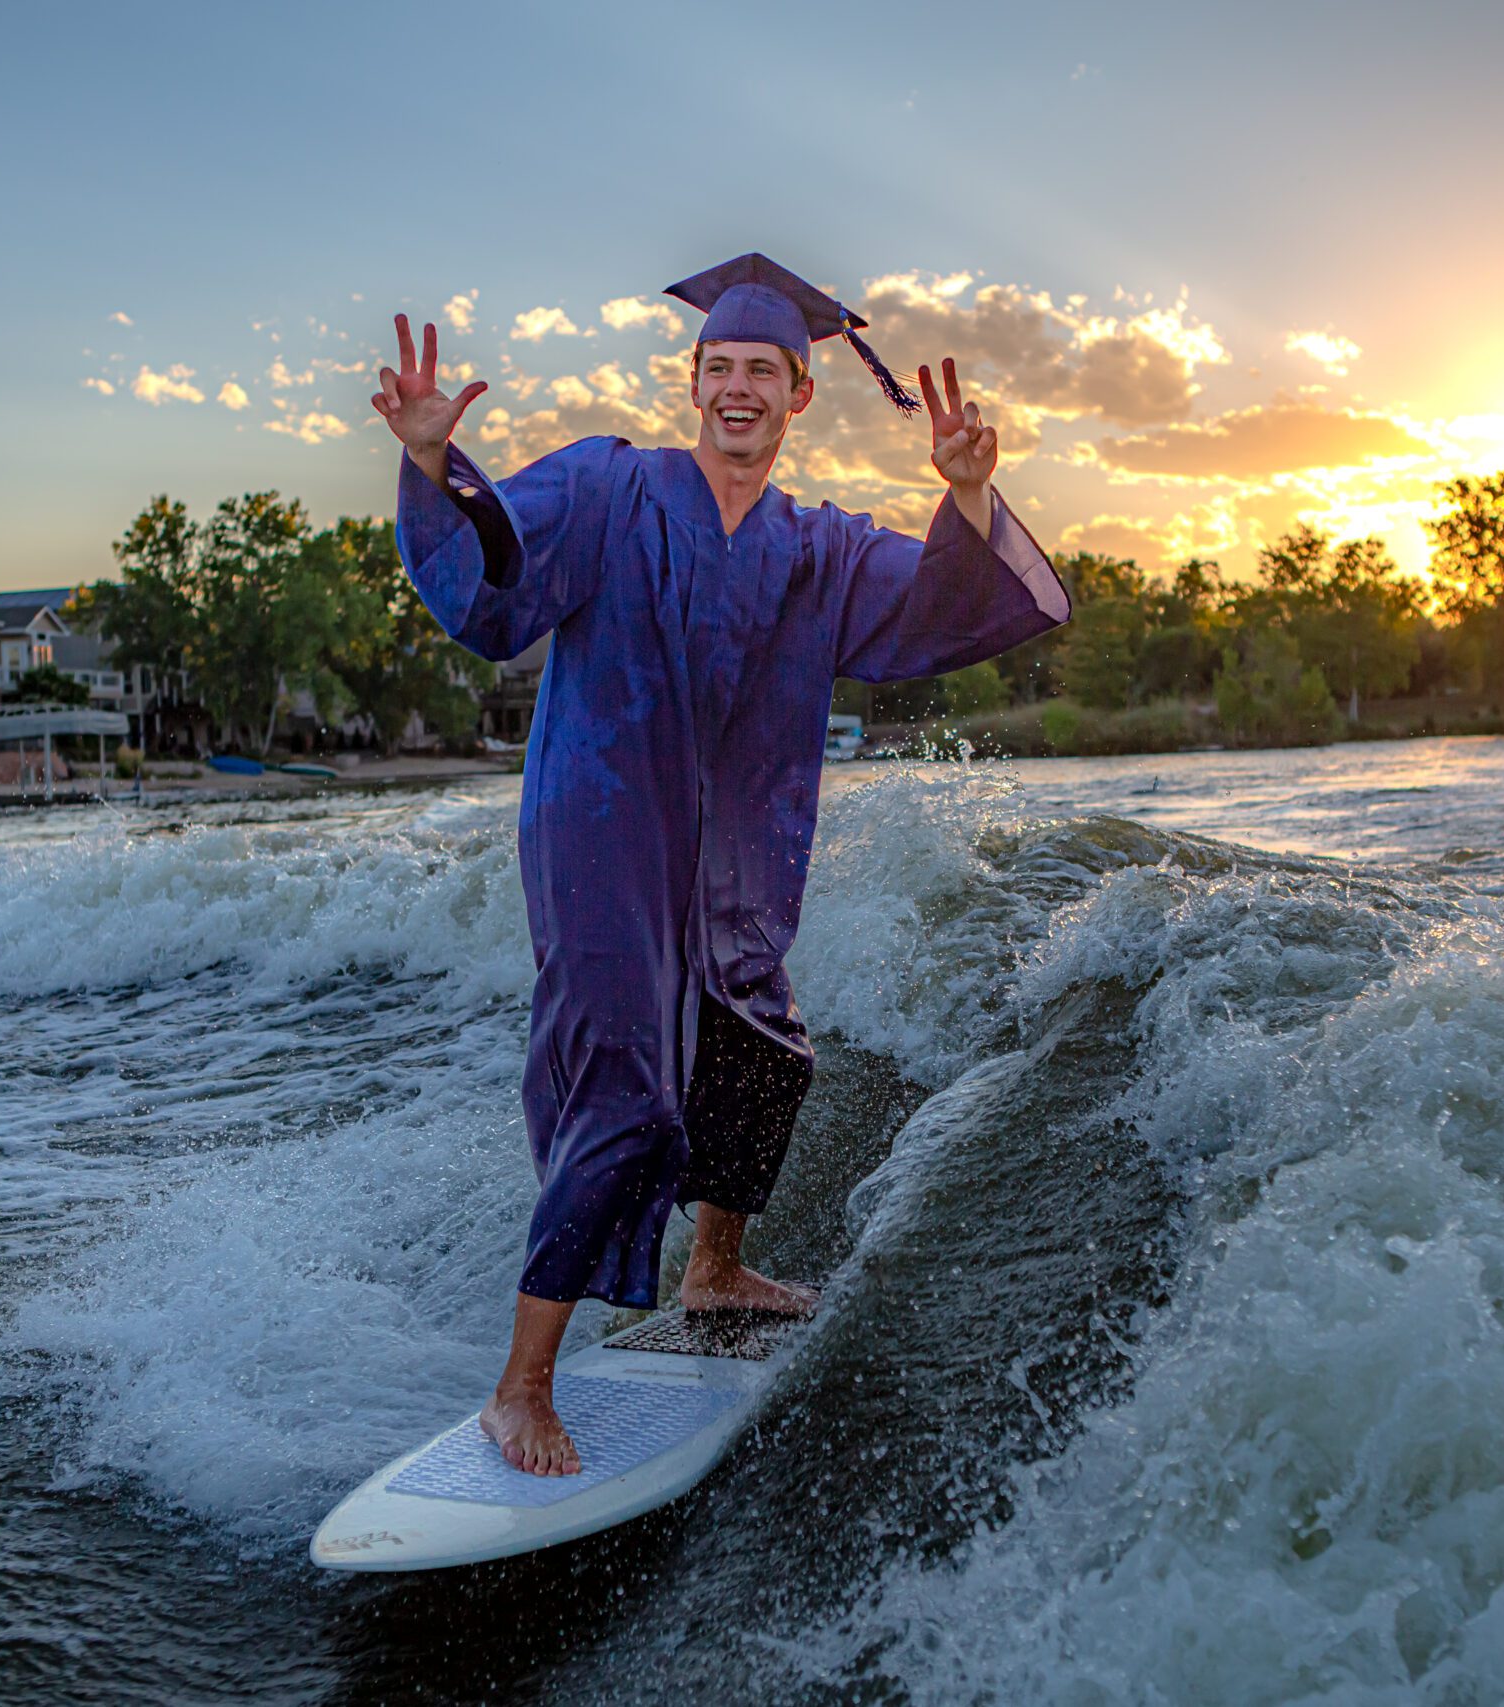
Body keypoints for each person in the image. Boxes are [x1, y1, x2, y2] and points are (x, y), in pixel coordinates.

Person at [376, 253, 1071, 1475]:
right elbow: (493, 577)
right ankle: (519, 1386)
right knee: (627, 1083)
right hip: (602, 821)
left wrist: (965, 501)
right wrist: (435, 462)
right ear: (690, 382)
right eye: (720, 369)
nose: (737, 389)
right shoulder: (609, 487)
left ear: (800, 396)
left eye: (764, 371)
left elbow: (946, 609)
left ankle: (713, 1271)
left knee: (762, 1048)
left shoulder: (822, 549)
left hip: (741, 838)